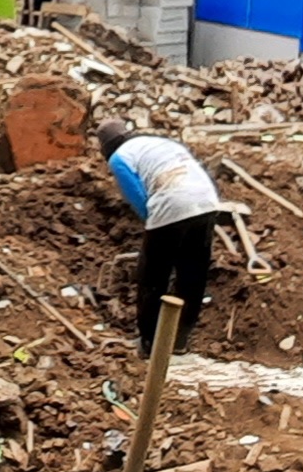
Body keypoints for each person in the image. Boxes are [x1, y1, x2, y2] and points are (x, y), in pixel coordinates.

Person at [97, 118, 230, 357]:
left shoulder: (119, 158)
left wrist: (153, 225)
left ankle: (149, 343)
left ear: (106, 149)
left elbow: (137, 196)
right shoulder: (159, 143)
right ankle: (179, 340)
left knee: (152, 277)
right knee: (192, 274)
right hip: (206, 200)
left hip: (172, 202)